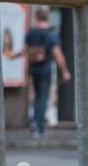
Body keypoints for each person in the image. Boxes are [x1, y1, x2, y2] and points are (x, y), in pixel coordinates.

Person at [8, 8, 70, 138]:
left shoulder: (31, 32)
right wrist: (64, 71)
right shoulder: (51, 34)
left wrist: (13, 55)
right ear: (47, 18)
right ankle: (39, 125)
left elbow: (25, 50)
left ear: (37, 17)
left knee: (36, 96)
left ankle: (35, 122)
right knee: (43, 97)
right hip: (45, 69)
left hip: (33, 68)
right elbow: (57, 53)